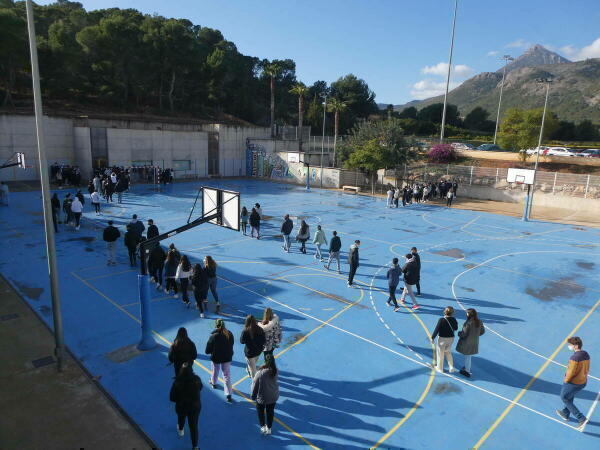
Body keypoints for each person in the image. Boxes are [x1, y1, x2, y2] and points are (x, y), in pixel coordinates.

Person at [556, 336, 590, 429]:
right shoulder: (586, 354)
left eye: (570, 345)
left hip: (573, 382)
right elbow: (587, 368)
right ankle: (565, 413)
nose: (569, 346)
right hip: (583, 381)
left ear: (576, 346)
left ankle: (581, 418)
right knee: (570, 396)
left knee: (564, 397)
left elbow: (571, 372)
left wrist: (566, 380)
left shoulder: (574, 358)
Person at [169, 363, 202, 450]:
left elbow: (172, 398)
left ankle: (181, 430)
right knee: (193, 426)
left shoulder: (177, 383)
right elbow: (200, 387)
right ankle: (195, 446)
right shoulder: (196, 379)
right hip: (194, 407)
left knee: (181, 418)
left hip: (182, 407)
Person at [205, 319, 234, 403]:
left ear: (216, 326)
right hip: (227, 357)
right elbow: (231, 344)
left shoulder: (213, 336)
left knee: (215, 371)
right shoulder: (229, 333)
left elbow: (207, 351)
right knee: (226, 375)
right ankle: (228, 394)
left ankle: (213, 383)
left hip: (216, 358)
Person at [251, 353, 280, 436]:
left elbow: (254, 385)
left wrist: (253, 396)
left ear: (265, 362)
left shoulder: (260, 373)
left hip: (262, 397)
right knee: (270, 412)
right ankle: (269, 428)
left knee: (260, 411)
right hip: (273, 396)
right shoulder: (276, 370)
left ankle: (263, 427)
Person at [456, 308, 485, 378]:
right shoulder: (479, 321)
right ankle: (467, 367)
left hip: (467, 342)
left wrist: (459, 333)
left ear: (469, 314)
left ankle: (467, 370)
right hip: (474, 341)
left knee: (467, 356)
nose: (466, 314)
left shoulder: (468, 323)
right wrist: (475, 335)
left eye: (467, 313)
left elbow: (464, 334)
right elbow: (482, 331)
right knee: (469, 356)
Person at [430, 306, 458, 373]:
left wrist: (432, 338)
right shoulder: (454, 319)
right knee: (448, 352)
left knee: (440, 353)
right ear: (452, 313)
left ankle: (440, 368)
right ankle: (451, 367)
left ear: (444, 312)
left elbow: (436, 330)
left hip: (442, 339)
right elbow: (456, 328)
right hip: (451, 338)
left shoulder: (441, 320)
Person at [240, 315, 266, 379]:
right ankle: (249, 369)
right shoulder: (260, 329)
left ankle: (254, 383)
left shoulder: (245, 331)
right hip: (258, 351)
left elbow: (241, 341)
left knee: (253, 372)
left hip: (250, 353)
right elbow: (264, 340)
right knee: (253, 363)